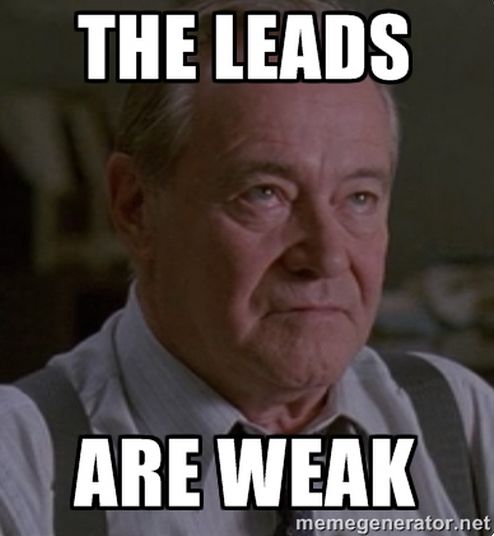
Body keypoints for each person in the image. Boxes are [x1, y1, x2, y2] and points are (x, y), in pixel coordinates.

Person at [1, 1, 493, 535]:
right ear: (135, 207)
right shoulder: (25, 469)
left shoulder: (457, 422)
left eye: (358, 198)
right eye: (265, 193)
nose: (327, 257)